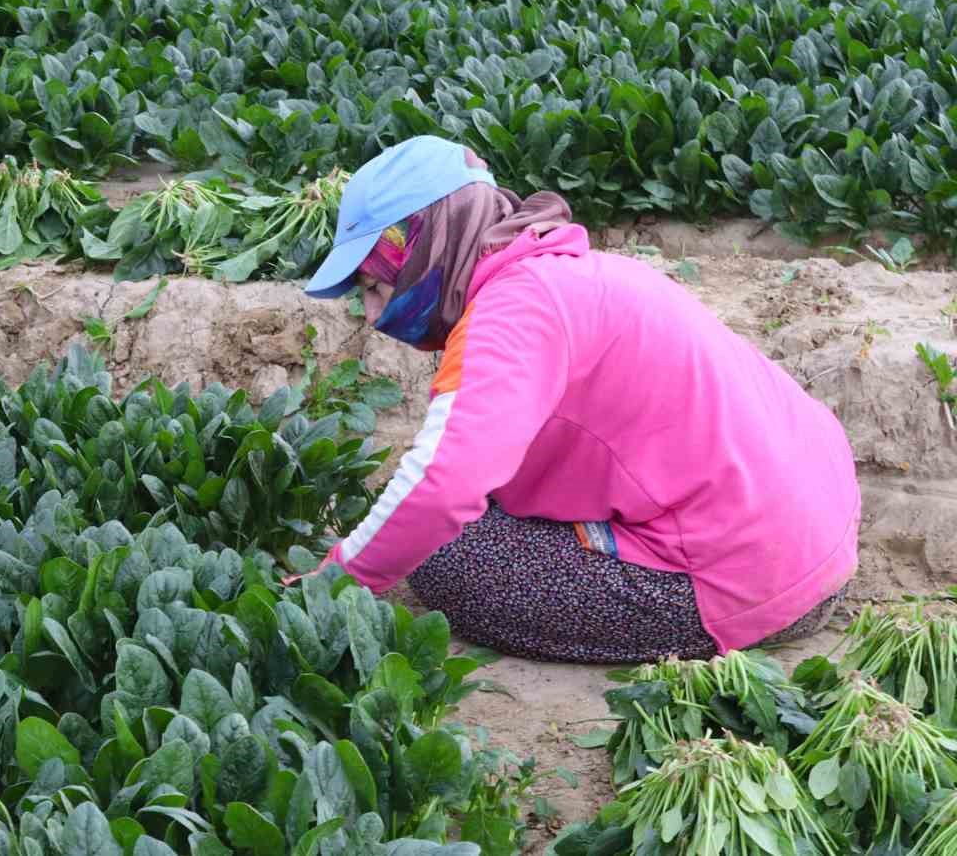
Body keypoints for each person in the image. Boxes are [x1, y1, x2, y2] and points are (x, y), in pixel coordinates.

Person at [298, 135, 860, 664]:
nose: (373, 314)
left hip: (750, 581)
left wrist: (334, 582)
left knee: (444, 555)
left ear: (429, 248)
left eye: (376, 287)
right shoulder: (568, 272)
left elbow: (443, 484)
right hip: (815, 537)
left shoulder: (509, 315)